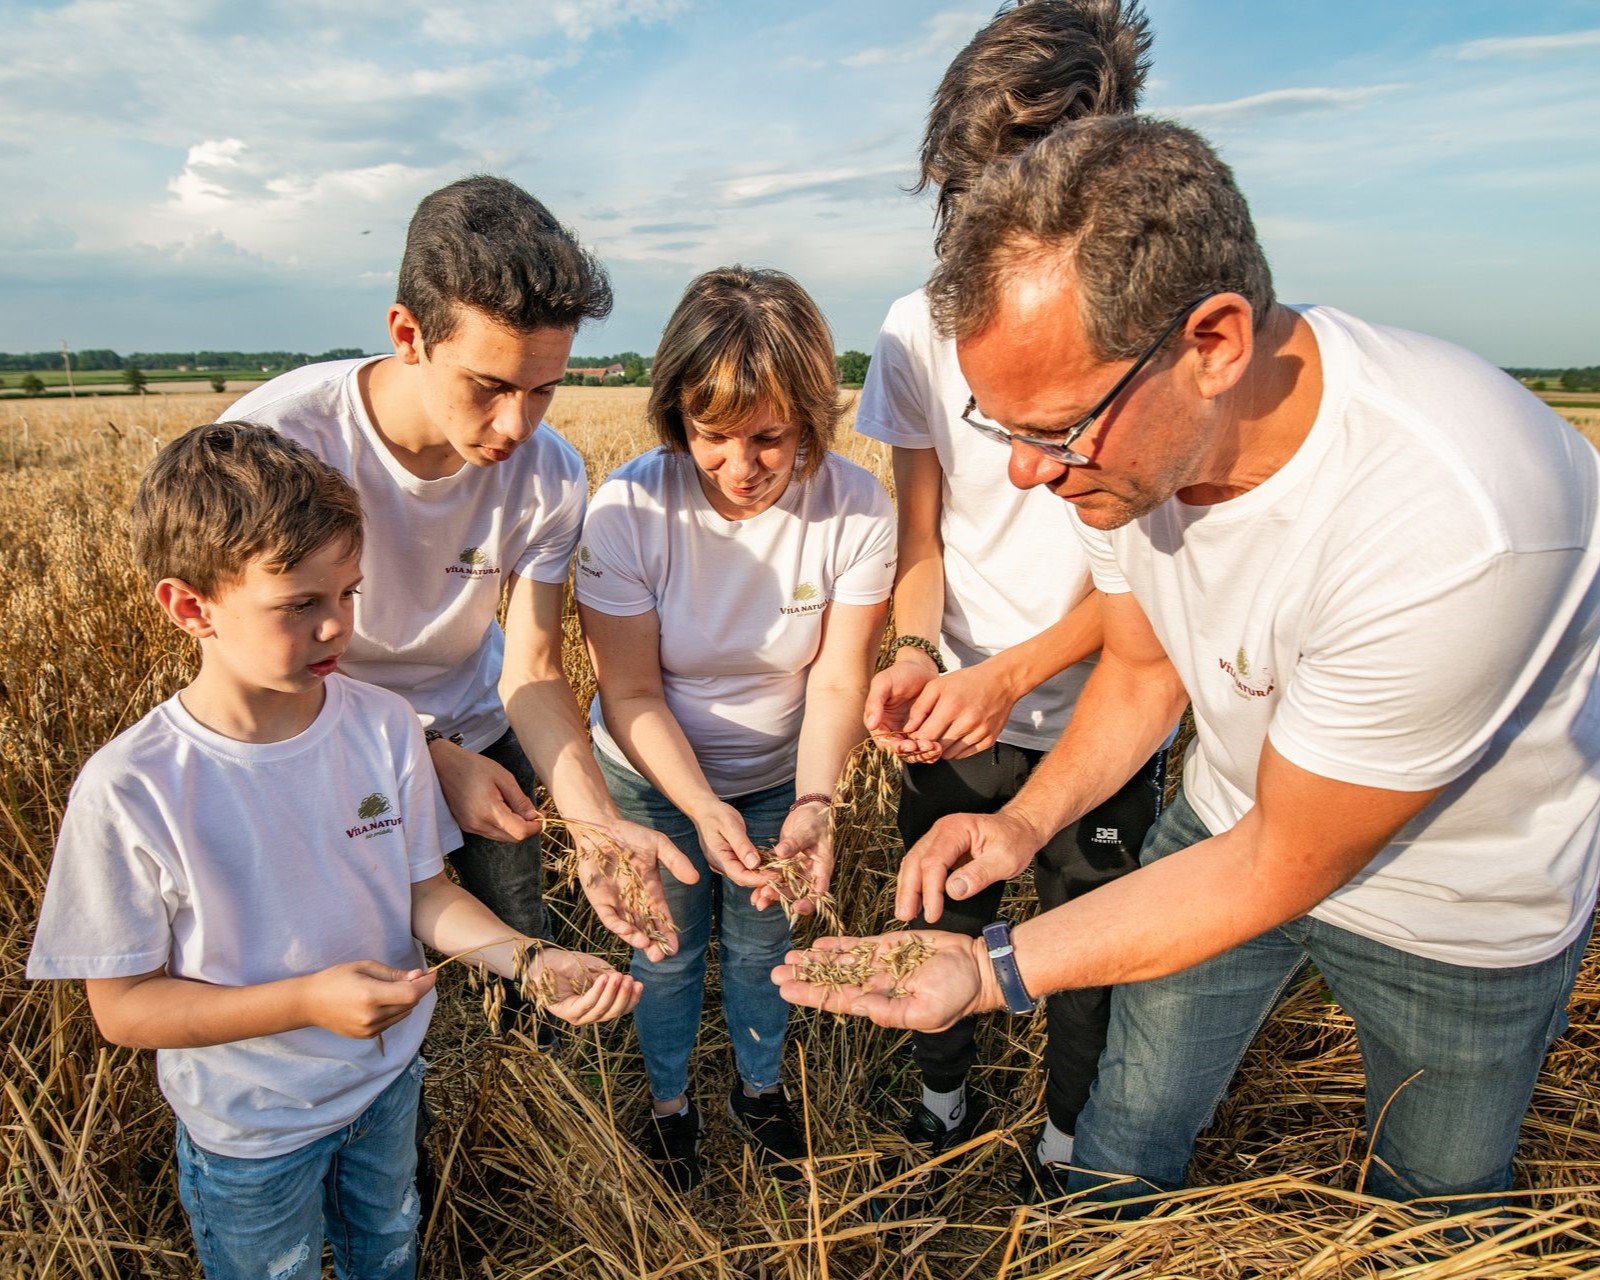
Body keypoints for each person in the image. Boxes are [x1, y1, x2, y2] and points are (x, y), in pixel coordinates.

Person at [777, 116, 1600, 1216]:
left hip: (1455, 904)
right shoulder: (1132, 460)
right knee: (1128, 1120)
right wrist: (1023, 824)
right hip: (1227, 819)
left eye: (1058, 427)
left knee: (1433, 1190)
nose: (1025, 471)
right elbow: (1141, 667)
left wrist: (989, 969)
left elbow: (1280, 861)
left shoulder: (1456, 518)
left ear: (1211, 341)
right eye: (1002, 427)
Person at [27, 423, 640, 1279]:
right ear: (189, 606)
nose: (338, 628)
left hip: (386, 1090)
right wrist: (307, 1001)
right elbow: (124, 1009)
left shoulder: (388, 726)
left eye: (349, 593)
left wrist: (529, 961)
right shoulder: (132, 788)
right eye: (300, 606)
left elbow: (422, 893)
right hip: (252, 1131)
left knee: (387, 1252)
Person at [229, 177, 693, 1034]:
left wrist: (593, 826)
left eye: (544, 389)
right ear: (408, 334)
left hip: (481, 730)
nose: (517, 426)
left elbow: (535, 667)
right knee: (367, 963)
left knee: (517, 951)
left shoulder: (550, 474)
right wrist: (422, 754)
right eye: (489, 385)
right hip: (318, 748)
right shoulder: (280, 446)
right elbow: (251, 669)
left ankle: (517, 1093)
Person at [854, 0, 1162, 1196]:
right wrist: (922, 651)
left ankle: (1067, 1143)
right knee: (938, 917)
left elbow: (1144, 589)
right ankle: (943, 1101)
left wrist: (1016, 672)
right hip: (959, 708)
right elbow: (921, 536)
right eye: (959, 201)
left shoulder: (1149, 330)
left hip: (1100, 710)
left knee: (1084, 948)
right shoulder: (911, 332)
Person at [577, 267, 895, 1190]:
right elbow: (630, 693)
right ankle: (670, 1104)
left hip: (777, 779)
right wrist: (698, 807)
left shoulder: (857, 507)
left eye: (771, 438)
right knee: (665, 950)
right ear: (677, 416)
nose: (742, 467)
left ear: (812, 419)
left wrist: (815, 801)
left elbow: (838, 675)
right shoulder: (630, 509)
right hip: (647, 776)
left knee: (764, 948)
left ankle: (760, 1090)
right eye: (712, 437)